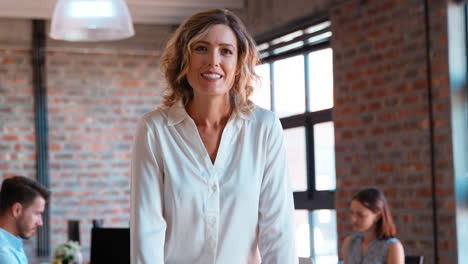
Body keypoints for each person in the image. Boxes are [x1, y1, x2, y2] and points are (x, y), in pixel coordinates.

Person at [130, 8, 297, 264]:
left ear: (239, 64)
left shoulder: (265, 128)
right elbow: (147, 230)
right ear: (183, 59)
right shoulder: (154, 130)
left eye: (226, 51)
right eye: (201, 48)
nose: (213, 61)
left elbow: (278, 229)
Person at [341, 187, 404, 264]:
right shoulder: (349, 243)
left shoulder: (392, 246)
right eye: (352, 213)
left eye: (361, 215)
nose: (353, 219)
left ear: (377, 216)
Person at [0, 176, 50, 264]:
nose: (40, 223)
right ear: (17, 210)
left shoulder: (12, 246)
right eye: (37, 213)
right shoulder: (4, 254)